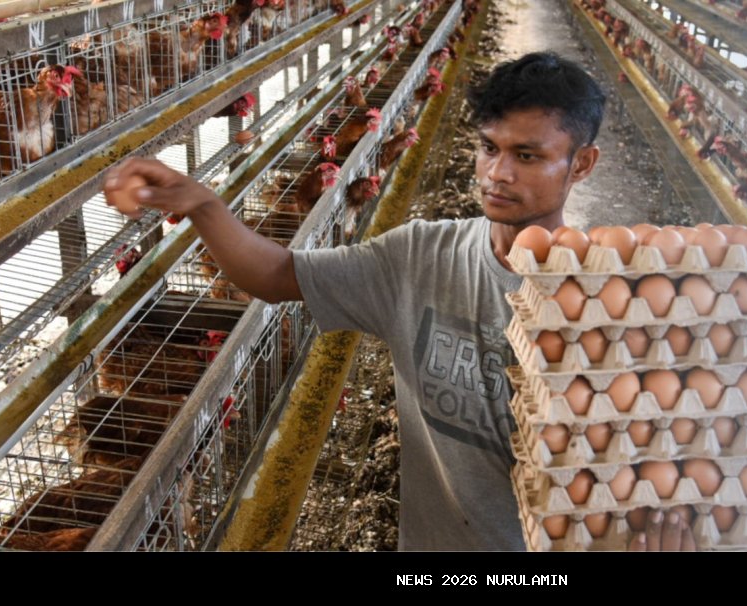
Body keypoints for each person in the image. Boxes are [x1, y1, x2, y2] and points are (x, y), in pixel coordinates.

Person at [104, 51, 693, 551]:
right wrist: (202, 203)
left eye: (528, 156)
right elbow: (279, 276)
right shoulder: (419, 258)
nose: (497, 173)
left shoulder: (617, 303)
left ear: (582, 165)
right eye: (489, 148)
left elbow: (650, 463)